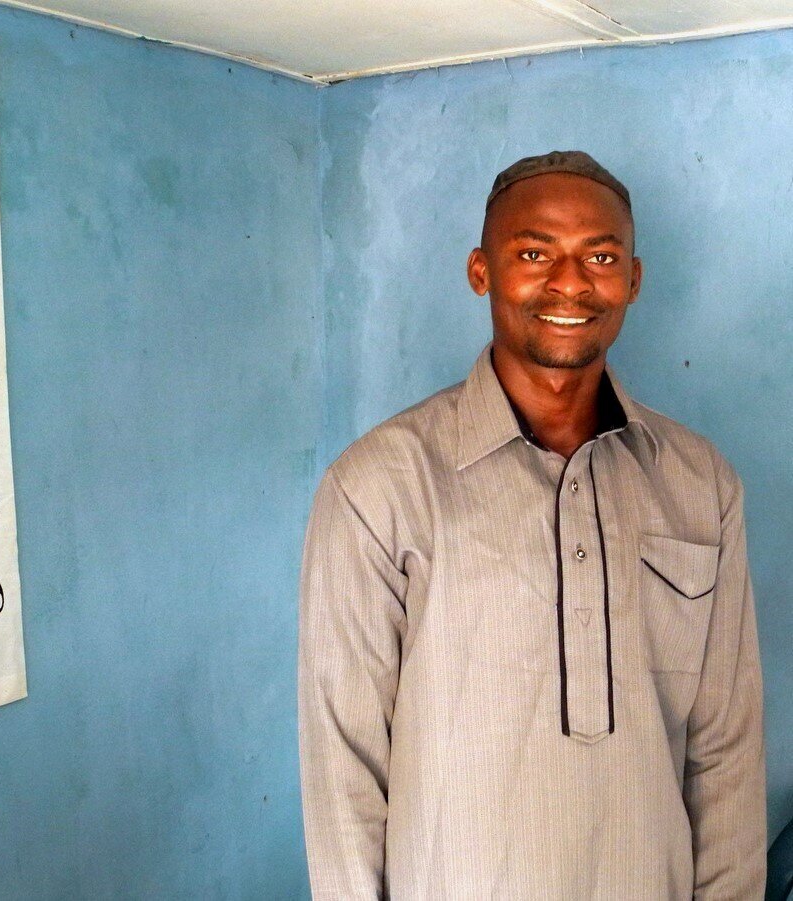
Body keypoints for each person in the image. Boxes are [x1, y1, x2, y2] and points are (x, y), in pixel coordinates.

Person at [298, 151, 766, 899]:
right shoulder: (379, 484)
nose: (570, 282)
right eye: (532, 253)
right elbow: (342, 764)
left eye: (600, 256)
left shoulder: (699, 481)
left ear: (633, 280)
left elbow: (727, 749)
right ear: (480, 271)